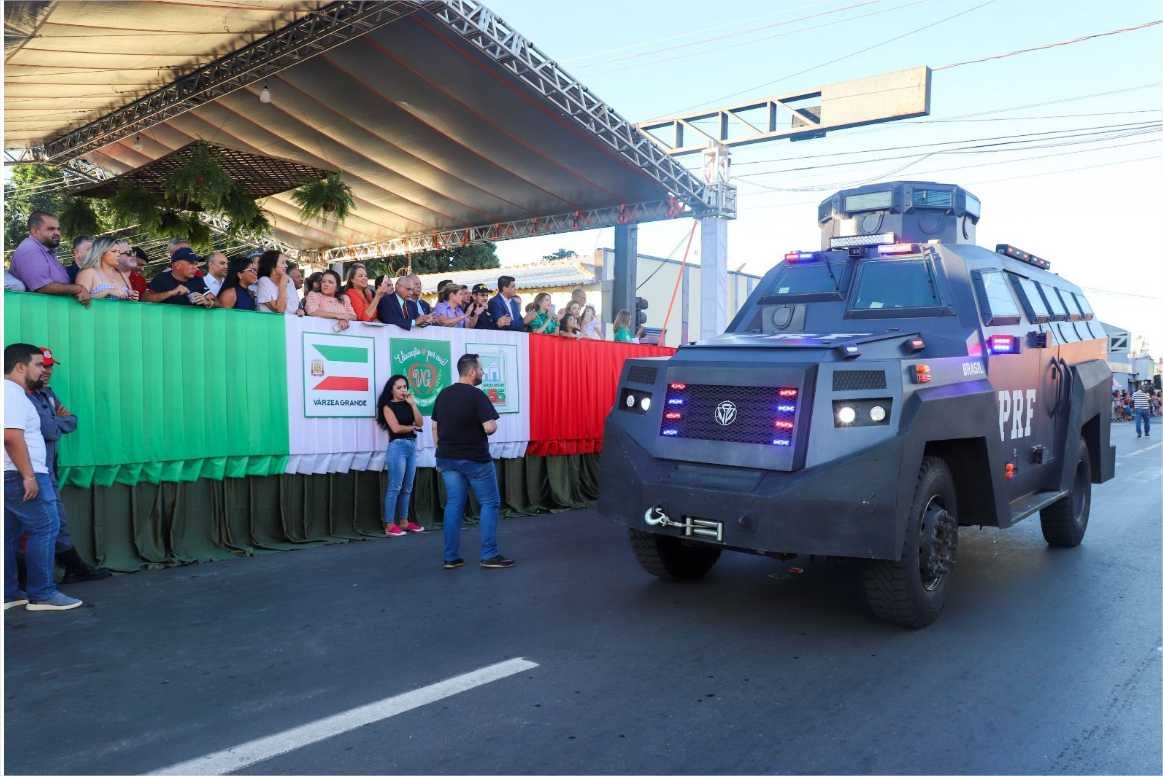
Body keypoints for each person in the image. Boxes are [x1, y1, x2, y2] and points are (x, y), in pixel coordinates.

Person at [4, 344, 83, 611]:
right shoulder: (12, 394)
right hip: (21, 474)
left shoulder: (19, 394)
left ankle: (9, 593)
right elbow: (12, 438)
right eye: (39, 365)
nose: (44, 371)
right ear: (20, 367)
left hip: (16, 474)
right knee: (45, 528)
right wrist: (28, 475)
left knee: (10, 534)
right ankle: (42, 593)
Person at [23, 348, 111, 584]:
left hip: (48, 468)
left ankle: (69, 569)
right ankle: (40, 579)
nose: (47, 371)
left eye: (50, 366)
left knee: (53, 519)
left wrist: (60, 421)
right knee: (46, 521)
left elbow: (71, 421)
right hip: (28, 470)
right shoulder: (21, 395)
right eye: (43, 366)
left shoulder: (47, 394)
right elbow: (49, 429)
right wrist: (58, 421)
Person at [431, 353, 513, 570]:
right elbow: (490, 427)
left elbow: (434, 427)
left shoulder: (444, 394)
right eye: (481, 369)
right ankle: (489, 554)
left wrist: (441, 449)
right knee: (489, 503)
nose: (483, 373)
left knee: (454, 505)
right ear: (471, 372)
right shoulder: (477, 395)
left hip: (447, 458)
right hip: (475, 459)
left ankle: (451, 557)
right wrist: (487, 427)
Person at [376, 375, 425, 538]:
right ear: (391, 389)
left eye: (405, 386)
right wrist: (411, 428)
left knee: (407, 487)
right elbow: (396, 429)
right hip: (397, 447)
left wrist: (413, 404)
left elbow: (420, 423)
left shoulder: (408, 403)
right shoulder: (387, 407)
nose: (403, 390)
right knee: (395, 487)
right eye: (399, 387)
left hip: (411, 446)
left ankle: (404, 521)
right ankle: (390, 525)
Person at [8, 212, 90, 305]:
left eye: (58, 229)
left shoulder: (45, 249)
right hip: (38, 311)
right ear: (35, 231)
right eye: (51, 229)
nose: (57, 233)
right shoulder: (30, 249)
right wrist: (78, 289)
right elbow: (43, 287)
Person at [144, 248, 214, 306]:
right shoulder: (161, 278)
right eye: (191, 264)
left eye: (196, 264)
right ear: (177, 265)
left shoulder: (197, 279)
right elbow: (145, 299)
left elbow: (217, 302)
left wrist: (207, 302)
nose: (196, 268)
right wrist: (171, 293)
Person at [254, 250, 298, 315]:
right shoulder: (264, 281)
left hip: (287, 323)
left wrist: (298, 310)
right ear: (272, 265)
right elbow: (280, 309)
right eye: (282, 263)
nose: (286, 266)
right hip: (269, 323)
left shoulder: (289, 281)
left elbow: (293, 307)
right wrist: (282, 285)